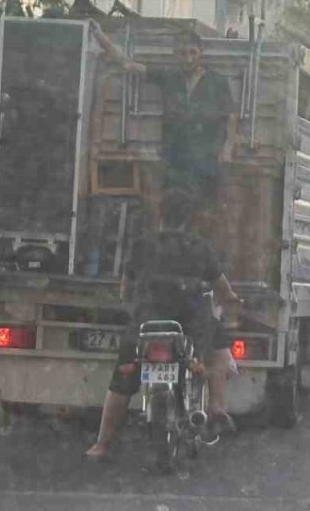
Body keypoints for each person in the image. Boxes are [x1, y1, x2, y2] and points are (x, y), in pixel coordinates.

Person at [85, 189, 241, 460]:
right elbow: (223, 291)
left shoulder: (142, 245)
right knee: (220, 351)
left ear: (161, 216)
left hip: (148, 324)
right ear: (189, 219)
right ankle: (216, 408)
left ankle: (102, 445)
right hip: (190, 325)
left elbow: (125, 288)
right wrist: (231, 305)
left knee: (121, 381)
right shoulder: (200, 248)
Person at [92, 25, 238, 203]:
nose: (188, 59)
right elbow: (128, 65)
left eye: (193, 52)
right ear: (175, 54)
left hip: (206, 158)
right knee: (173, 207)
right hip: (174, 158)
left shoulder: (217, 81)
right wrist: (101, 36)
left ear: (201, 52)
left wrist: (228, 147)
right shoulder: (168, 77)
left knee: (206, 210)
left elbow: (230, 115)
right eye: (183, 53)